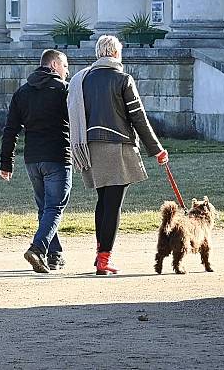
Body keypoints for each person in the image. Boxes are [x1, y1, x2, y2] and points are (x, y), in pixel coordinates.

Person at [68, 35, 169, 275]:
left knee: (103, 202)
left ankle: (99, 255)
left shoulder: (81, 79)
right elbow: (138, 117)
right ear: (114, 53)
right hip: (116, 146)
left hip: (89, 146)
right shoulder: (123, 79)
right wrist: (156, 149)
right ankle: (104, 260)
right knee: (113, 206)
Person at [0, 49, 71, 274]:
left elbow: (11, 130)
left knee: (45, 208)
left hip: (32, 159)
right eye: (65, 66)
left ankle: (55, 255)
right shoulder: (63, 91)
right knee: (55, 207)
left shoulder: (22, 92)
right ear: (53, 66)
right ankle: (38, 248)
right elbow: (77, 122)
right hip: (58, 156)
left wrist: (6, 163)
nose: (67, 72)